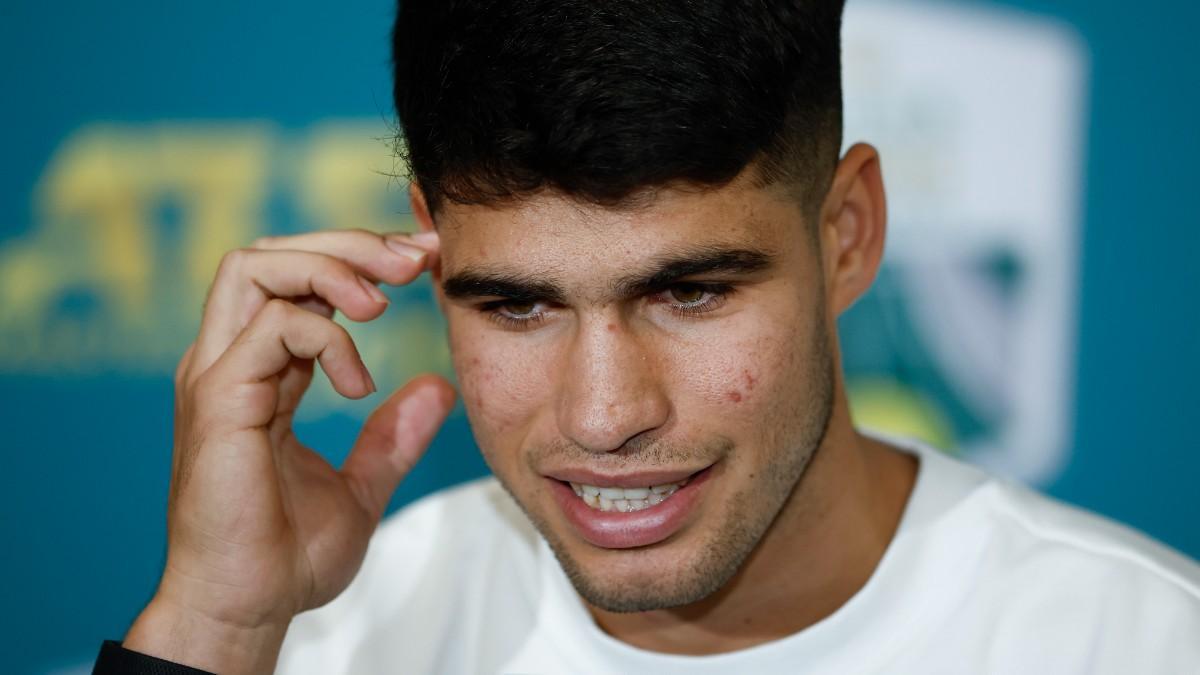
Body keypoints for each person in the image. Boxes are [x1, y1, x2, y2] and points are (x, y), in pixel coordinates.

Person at [94, 1, 1200, 673]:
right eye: (516, 306)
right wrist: (218, 625)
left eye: (693, 292)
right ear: (427, 246)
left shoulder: (1140, 646)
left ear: (848, 232)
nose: (604, 415)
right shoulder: (315, 640)